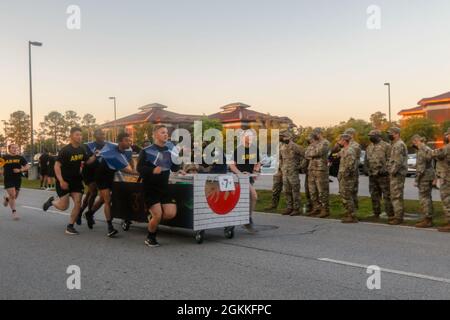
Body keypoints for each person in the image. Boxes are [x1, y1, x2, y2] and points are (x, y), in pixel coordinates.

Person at [42, 127, 97, 235]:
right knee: (64, 206)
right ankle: (52, 202)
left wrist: (96, 156)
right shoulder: (65, 150)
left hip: (76, 180)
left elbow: (88, 161)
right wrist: (61, 181)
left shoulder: (82, 149)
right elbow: (57, 166)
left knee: (78, 202)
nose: (79, 137)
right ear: (71, 136)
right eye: (77, 135)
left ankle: (70, 226)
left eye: (80, 135)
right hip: (64, 181)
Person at [137, 125, 184, 247]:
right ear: (155, 135)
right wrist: (152, 171)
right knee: (158, 215)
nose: (166, 134)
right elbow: (139, 168)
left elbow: (174, 167)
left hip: (164, 187)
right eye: (163, 132)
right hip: (150, 188)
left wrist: (177, 159)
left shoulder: (169, 151)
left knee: (170, 214)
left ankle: (152, 218)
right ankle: (150, 237)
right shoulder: (146, 151)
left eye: (166, 133)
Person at [95, 132, 136, 237]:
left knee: (110, 198)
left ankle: (90, 213)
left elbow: (130, 161)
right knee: (107, 200)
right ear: (120, 142)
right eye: (127, 140)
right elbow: (127, 170)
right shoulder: (113, 152)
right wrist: (143, 172)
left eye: (130, 140)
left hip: (112, 176)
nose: (129, 143)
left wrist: (135, 168)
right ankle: (110, 227)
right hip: (102, 177)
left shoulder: (126, 150)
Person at [229, 131, 261, 233]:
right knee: (253, 196)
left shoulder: (254, 149)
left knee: (246, 199)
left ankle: (246, 218)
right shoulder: (238, 150)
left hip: (249, 178)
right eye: (248, 136)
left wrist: (256, 171)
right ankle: (247, 219)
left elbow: (258, 163)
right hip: (239, 178)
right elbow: (232, 165)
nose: (251, 138)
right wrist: (240, 174)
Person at [78, 129, 106, 228]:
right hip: (88, 171)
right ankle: (90, 214)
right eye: (101, 134)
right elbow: (85, 159)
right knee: (93, 192)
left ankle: (80, 212)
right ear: (95, 135)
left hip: (100, 172)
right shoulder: (88, 145)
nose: (103, 135)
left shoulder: (107, 145)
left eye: (104, 134)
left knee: (90, 194)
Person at [364, 130, 394, 219]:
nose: (370, 137)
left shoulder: (386, 146)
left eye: (372, 135)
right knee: (374, 195)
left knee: (387, 195)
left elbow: (391, 159)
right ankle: (376, 213)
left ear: (378, 136)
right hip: (372, 175)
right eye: (369, 135)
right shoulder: (369, 147)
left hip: (383, 175)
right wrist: (365, 168)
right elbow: (366, 159)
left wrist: (385, 169)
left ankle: (390, 215)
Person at [305, 128, 330, 218]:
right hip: (311, 169)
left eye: (315, 133)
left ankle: (325, 210)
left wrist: (311, 153)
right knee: (312, 191)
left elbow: (318, 152)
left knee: (322, 191)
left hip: (320, 169)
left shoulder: (325, 143)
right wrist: (311, 152)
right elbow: (306, 153)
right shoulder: (314, 143)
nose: (314, 135)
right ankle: (316, 208)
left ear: (319, 133)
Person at [411, 135, 435, 228]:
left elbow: (421, 167)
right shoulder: (427, 148)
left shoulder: (422, 150)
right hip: (428, 175)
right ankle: (427, 217)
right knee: (427, 197)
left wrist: (416, 180)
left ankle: (428, 220)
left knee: (424, 198)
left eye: (413, 143)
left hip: (424, 177)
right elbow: (429, 163)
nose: (413, 145)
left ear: (417, 141)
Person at [279, 131, 304, 216]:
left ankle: (297, 209)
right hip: (285, 171)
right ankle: (289, 207)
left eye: (283, 136)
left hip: (293, 172)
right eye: (281, 136)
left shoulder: (295, 147)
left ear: (288, 137)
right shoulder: (281, 146)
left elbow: (304, 156)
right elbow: (280, 158)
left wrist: (300, 167)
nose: (281, 138)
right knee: (287, 191)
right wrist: (281, 167)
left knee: (295, 190)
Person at [2, 144, 29, 220]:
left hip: (17, 179)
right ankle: (14, 212)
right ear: (9, 149)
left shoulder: (20, 158)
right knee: (13, 195)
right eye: (13, 148)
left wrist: (20, 170)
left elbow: (27, 166)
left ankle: (7, 199)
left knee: (15, 196)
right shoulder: (5, 157)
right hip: (8, 179)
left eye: (16, 148)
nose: (14, 149)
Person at [387, 127, 408, 225]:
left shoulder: (399, 145)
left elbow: (398, 161)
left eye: (391, 133)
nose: (389, 135)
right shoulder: (395, 144)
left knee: (396, 196)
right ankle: (397, 215)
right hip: (396, 173)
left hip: (397, 174)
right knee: (395, 195)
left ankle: (398, 217)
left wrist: (392, 171)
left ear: (397, 134)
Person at [431, 128, 450, 232]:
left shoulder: (447, 147)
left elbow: (434, 154)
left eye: (446, 135)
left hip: (446, 177)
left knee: (447, 200)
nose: (445, 137)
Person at [337, 134, 358, 223]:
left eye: (340, 140)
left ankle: (352, 216)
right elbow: (336, 155)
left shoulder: (350, 151)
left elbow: (350, 165)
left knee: (348, 195)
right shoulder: (344, 150)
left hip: (348, 177)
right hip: (343, 176)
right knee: (344, 195)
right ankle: (349, 213)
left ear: (345, 141)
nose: (339, 142)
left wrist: (346, 175)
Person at [344, 128, 361, 210]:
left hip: (352, 171)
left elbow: (352, 159)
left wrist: (347, 171)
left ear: (352, 135)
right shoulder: (347, 145)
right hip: (348, 170)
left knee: (351, 192)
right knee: (349, 192)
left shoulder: (355, 145)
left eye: (347, 135)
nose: (345, 137)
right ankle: (352, 210)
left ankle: (352, 212)